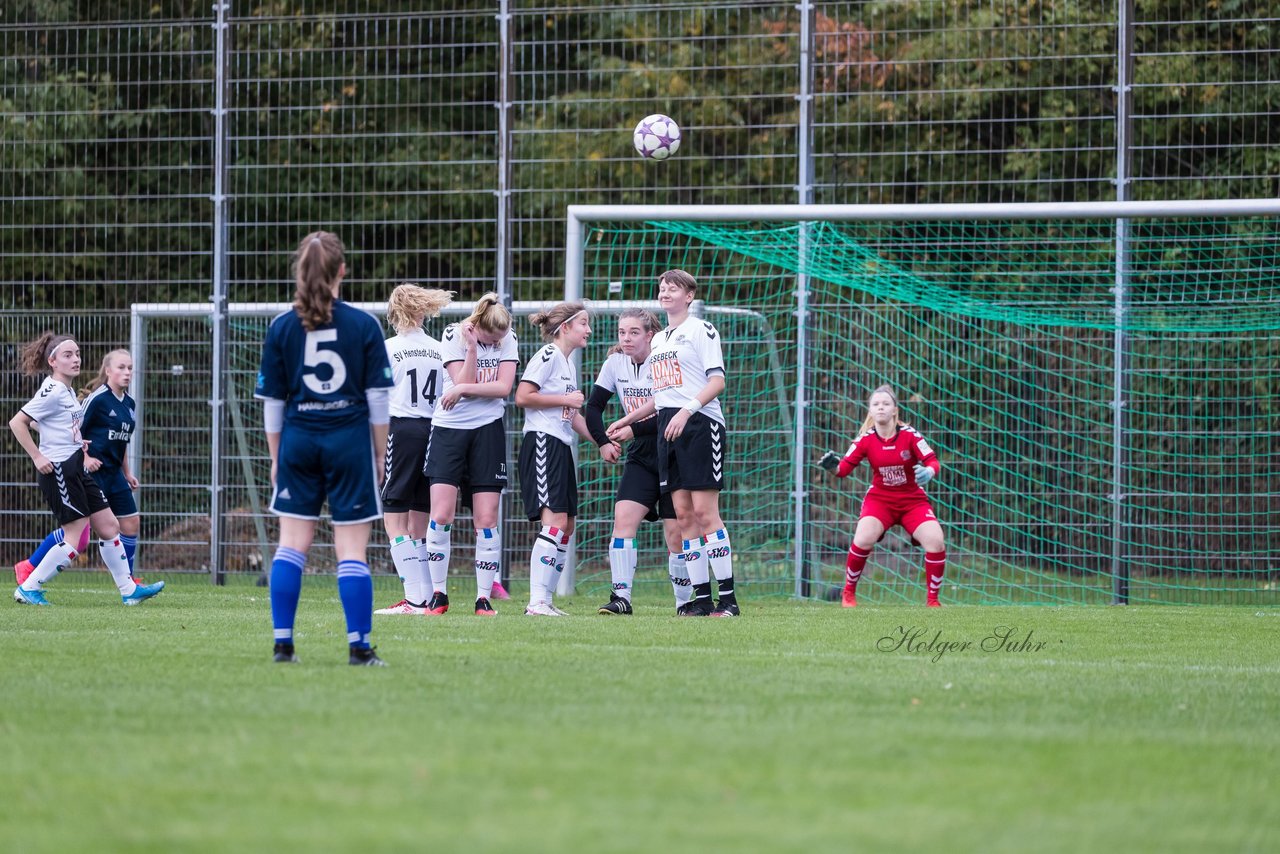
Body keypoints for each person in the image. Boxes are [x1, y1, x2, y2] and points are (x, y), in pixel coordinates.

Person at [255, 231, 394, 665]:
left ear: (301, 270)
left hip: (298, 440)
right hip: (348, 441)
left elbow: (273, 405)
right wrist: (377, 455)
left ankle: (283, 645)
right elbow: (377, 403)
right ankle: (359, 648)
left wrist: (277, 458)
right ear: (341, 271)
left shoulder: (282, 326)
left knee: (292, 544)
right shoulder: (363, 324)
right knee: (351, 550)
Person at [609, 270, 738, 617]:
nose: (665, 292)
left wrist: (687, 411)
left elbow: (717, 381)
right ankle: (700, 600)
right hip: (669, 426)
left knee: (705, 513)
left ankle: (728, 601)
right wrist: (628, 419)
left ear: (689, 295)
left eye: (673, 288)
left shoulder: (700, 329)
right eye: (662, 288)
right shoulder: (661, 338)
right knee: (683, 516)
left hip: (699, 424)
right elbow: (661, 395)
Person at [8, 333, 165, 606]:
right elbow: (18, 422)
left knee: (109, 526)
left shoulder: (68, 391)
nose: (75, 359)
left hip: (76, 467)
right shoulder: (52, 389)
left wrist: (75, 440)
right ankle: (29, 587)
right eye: (68, 355)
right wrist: (37, 456)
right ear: (53, 361)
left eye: (77, 353)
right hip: (60, 470)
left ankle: (128, 590)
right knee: (75, 536)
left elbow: (44, 424)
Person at [584, 308, 689, 614]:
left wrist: (630, 428)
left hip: (672, 449)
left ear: (649, 336)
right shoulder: (615, 363)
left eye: (633, 333)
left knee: (676, 534)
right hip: (641, 455)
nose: (626, 339)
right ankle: (621, 598)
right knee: (623, 521)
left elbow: (668, 411)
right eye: (622, 332)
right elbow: (593, 407)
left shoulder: (665, 360)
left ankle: (686, 604)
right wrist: (603, 442)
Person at [421, 293, 518, 617]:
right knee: (442, 515)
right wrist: (473, 349)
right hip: (449, 431)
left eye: (500, 339)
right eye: (492, 338)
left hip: (487, 430)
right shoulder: (453, 335)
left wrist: (462, 390)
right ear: (479, 327)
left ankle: (482, 597)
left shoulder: (508, 338)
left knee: (487, 519)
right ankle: (438, 594)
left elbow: (504, 388)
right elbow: (464, 377)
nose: (498, 343)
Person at [819, 384, 946, 608]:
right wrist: (832, 467)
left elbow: (932, 461)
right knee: (863, 538)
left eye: (886, 404)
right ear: (870, 411)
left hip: (912, 501)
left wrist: (929, 472)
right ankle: (848, 595)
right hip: (880, 501)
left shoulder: (910, 436)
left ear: (895, 410)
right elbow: (843, 470)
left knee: (936, 542)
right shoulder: (865, 440)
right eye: (876, 404)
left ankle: (933, 601)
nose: (881, 408)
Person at [372, 283, 453, 616]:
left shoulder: (388, 348)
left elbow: (375, 396)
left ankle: (414, 598)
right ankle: (424, 598)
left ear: (395, 312)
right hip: (435, 430)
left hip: (402, 430)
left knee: (394, 517)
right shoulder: (439, 349)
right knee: (419, 521)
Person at [515, 302, 595, 616]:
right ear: (565, 328)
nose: (588, 330)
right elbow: (523, 396)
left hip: (560, 446)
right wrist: (565, 398)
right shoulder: (548, 355)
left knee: (567, 526)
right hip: (542, 443)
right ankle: (536, 602)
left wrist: (601, 442)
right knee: (555, 522)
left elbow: (571, 414)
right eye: (584, 324)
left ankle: (545, 601)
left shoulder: (568, 364)